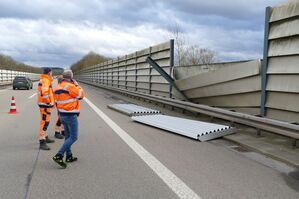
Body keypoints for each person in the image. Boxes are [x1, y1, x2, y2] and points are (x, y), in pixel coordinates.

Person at [52, 70, 84, 168]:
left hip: (62, 114)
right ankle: (59, 155)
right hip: (70, 115)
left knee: (67, 136)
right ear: (70, 77)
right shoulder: (70, 86)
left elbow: (56, 102)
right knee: (74, 137)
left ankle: (69, 156)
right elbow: (81, 95)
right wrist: (77, 85)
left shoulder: (58, 87)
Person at [37, 67, 55, 150]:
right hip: (45, 105)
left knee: (45, 121)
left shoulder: (44, 79)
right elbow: (44, 93)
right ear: (49, 73)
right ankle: (42, 141)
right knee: (44, 122)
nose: (52, 73)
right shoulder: (46, 80)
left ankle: (45, 136)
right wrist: (48, 102)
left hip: (44, 104)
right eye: (51, 72)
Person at [54, 75, 64, 139]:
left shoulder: (61, 87)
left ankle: (63, 131)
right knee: (60, 119)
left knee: (63, 119)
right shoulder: (59, 88)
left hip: (63, 106)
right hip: (60, 106)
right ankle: (57, 132)